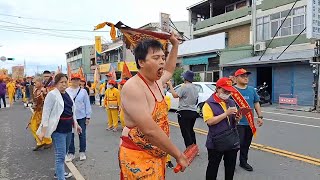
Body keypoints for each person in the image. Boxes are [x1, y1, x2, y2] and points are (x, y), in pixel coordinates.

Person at [119, 35, 188, 179]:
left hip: (156, 152)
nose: (162, 62)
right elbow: (149, 130)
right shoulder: (133, 87)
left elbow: (169, 70)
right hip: (138, 156)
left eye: (163, 58)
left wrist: (175, 46)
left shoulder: (157, 82)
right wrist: (177, 154)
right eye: (156, 58)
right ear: (141, 62)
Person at [37, 73, 82, 180]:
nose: (64, 84)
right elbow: (46, 113)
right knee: (60, 157)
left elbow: (72, 111)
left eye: (65, 82)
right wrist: (43, 131)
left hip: (68, 129)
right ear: (56, 83)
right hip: (58, 130)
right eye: (61, 82)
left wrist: (77, 124)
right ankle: (60, 177)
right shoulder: (52, 95)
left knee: (64, 153)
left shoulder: (68, 94)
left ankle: (58, 173)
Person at [202, 77, 241, 180]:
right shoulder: (208, 104)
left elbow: (233, 121)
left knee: (230, 168)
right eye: (225, 90)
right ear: (218, 89)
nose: (227, 93)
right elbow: (210, 121)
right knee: (212, 168)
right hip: (216, 142)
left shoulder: (231, 102)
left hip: (231, 140)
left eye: (229, 91)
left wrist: (237, 119)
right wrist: (226, 114)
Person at [233, 68, 264, 171]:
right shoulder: (232, 91)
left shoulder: (252, 90)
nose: (246, 78)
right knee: (236, 145)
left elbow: (256, 103)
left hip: (249, 123)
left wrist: (260, 116)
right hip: (237, 123)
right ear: (236, 78)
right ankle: (230, 163)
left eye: (247, 76)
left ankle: (243, 162)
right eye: (243, 76)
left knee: (246, 144)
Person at [167, 70, 199, 148]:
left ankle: (189, 148)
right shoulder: (195, 87)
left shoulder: (184, 86)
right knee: (191, 130)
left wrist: (170, 85)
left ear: (185, 78)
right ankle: (194, 147)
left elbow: (175, 95)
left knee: (185, 132)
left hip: (184, 112)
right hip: (193, 112)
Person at [66, 73, 92, 162]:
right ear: (71, 80)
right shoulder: (67, 91)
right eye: (74, 79)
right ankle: (71, 153)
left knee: (82, 134)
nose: (75, 81)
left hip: (81, 116)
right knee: (70, 135)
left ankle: (82, 152)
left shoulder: (83, 91)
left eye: (77, 80)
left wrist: (88, 117)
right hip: (70, 116)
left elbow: (87, 104)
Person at [28, 77, 52, 151]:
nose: (34, 84)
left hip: (43, 112)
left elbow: (48, 101)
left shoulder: (45, 90)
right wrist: (32, 103)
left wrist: (44, 94)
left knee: (42, 127)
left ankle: (47, 141)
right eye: (34, 83)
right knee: (33, 126)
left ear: (40, 82)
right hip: (37, 111)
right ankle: (41, 141)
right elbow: (35, 100)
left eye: (35, 82)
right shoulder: (35, 90)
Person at [163, 81, 174, 169]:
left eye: (164, 84)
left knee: (166, 141)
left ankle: (168, 160)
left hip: (163, 123)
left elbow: (167, 107)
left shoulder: (167, 97)